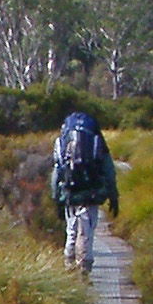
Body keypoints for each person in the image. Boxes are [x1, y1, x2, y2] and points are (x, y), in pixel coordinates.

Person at [49, 110, 118, 276]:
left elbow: (56, 173)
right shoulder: (97, 140)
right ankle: (84, 273)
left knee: (71, 232)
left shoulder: (62, 141)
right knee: (86, 234)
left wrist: (56, 198)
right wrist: (113, 196)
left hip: (70, 194)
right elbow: (109, 170)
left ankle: (69, 269)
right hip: (90, 194)